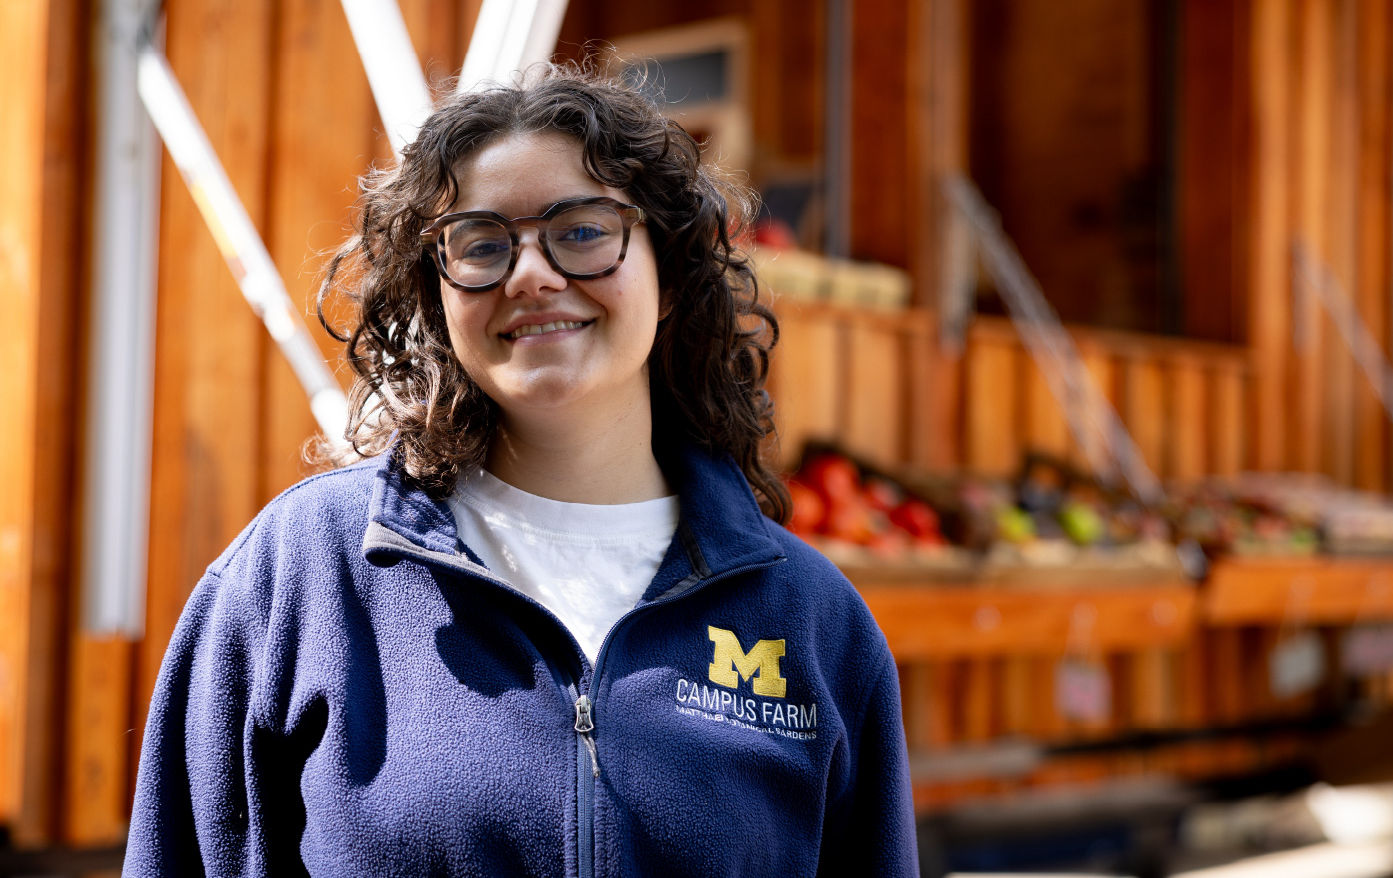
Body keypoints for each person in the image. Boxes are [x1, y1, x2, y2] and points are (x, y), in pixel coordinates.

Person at [124, 66, 917, 876]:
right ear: (439, 298)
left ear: (670, 273)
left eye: (581, 231)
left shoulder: (815, 623)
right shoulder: (302, 573)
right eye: (481, 244)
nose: (530, 274)